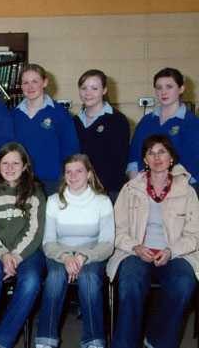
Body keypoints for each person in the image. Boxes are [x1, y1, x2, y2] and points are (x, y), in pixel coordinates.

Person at [108, 134, 199, 348]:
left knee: (184, 285)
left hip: (176, 254)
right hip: (135, 253)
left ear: (172, 158)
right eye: (150, 153)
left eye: (162, 152)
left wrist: (170, 251)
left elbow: (194, 235)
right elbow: (116, 230)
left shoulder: (187, 191)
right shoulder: (130, 189)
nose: (156, 157)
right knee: (130, 283)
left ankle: (157, 340)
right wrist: (136, 247)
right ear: (145, 160)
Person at [36, 153, 113, 348]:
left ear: (89, 174)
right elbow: (49, 241)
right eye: (68, 172)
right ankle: (46, 340)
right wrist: (65, 257)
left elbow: (107, 243)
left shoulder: (102, 202)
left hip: (92, 254)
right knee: (54, 278)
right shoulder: (54, 201)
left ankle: (93, 341)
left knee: (90, 281)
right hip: (60, 253)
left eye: (78, 171)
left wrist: (83, 256)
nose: (73, 176)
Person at [0, 142, 46, 348]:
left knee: (32, 281)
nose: (10, 167)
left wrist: (15, 257)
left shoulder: (36, 194)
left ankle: (3, 342)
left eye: (16, 162)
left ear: (25, 166)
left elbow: (36, 232)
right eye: (5, 162)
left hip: (28, 253)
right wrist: (4, 255)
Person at [11, 64, 80, 195]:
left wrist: (68, 178)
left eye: (35, 81)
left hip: (53, 182)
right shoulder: (13, 115)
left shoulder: (60, 114)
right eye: (25, 83)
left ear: (45, 82)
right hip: (21, 181)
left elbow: (71, 151)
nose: (30, 86)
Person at [127, 68, 199, 185]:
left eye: (169, 87)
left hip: (180, 189)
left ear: (181, 89)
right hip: (144, 188)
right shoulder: (146, 121)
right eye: (159, 87)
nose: (163, 92)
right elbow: (134, 159)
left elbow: (190, 164)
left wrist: (162, 188)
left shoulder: (192, 123)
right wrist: (137, 186)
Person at [73, 69, 130, 198]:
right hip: (80, 189)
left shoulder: (117, 120)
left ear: (104, 90)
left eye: (94, 88)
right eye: (84, 88)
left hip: (108, 190)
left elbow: (119, 161)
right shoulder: (74, 122)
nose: (88, 93)